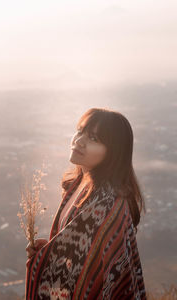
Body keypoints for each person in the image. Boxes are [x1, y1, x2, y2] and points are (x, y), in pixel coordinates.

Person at [25, 107, 147, 300]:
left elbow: (94, 274)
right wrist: (49, 250)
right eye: (80, 131)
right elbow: (78, 253)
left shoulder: (107, 203)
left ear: (113, 153)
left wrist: (43, 260)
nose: (79, 141)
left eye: (94, 139)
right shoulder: (79, 183)